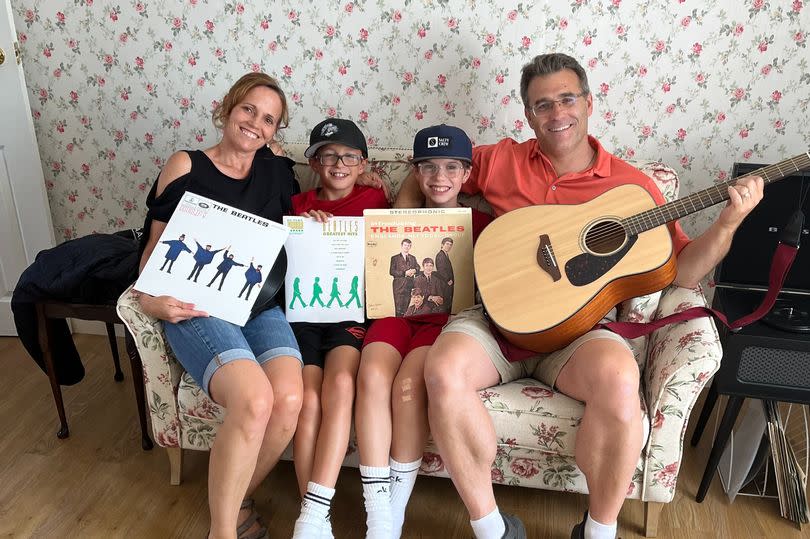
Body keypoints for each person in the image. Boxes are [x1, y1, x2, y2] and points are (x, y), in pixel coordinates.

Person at [396, 53, 764, 539]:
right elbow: (428, 169)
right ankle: (491, 528)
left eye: (566, 99)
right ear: (528, 114)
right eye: (542, 104)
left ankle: (598, 530)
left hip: (579, 332)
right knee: (442, 371)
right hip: (495, 320)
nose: (556, 114)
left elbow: (685, 272)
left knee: (619, 383)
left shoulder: (632, 188)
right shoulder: (500, 158)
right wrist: (400, 216)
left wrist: (729, 221)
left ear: (588, 103)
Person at [136, 72, 303, 539]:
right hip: (196, 306)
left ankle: (234, 499)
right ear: (229, 107)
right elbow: (153, 249)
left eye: (269, 120)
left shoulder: (274, 168)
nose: (255, 124)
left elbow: (309, 204)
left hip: (259, 304)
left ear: (275, 131)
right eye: (249, 109)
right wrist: (153, 301)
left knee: (290, 399)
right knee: (254, 400)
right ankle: (223, 531)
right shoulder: (185, 165)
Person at [355, 124, 492, 539]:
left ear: (467, 174)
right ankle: (376, 505)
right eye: (429, 166)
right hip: (394, 314)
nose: (440, 176)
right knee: (373, 373)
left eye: (452, 166)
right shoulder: (392, 220)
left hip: (446, 322)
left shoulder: (482, 223)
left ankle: (392, 511)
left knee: (409, 384)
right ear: (415, 171)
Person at [289, 118, 389, 539]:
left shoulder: (377, 200)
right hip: (306, 316)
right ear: (313, 162)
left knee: (342, 386)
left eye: (349, 156)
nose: (338, 163)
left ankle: (315, 509)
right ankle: (313, 517)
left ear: (363, 162)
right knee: (309, 400)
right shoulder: (297, 205)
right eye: (327, 155)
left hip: (350, 316)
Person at [389, 239, 420, 316]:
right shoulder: (395, 258)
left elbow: (418, 267)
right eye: (405, 245)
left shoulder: (413, 258)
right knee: (399, 308)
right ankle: (398, 324)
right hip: (399, 286)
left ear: (410, 247)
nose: (407, 247)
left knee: (406, 308)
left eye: (409, 245)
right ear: (402, 246)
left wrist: (415, 270)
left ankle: (404, 323)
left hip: (409, 286)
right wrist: (405, 273)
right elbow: (392, 272)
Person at [434, 238, 454, 307]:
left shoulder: (445, 255)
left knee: (448, 303)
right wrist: (448, 280)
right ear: (442, 245)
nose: (449, 246)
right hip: (444, 284)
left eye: (450, 245)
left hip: (447, 284)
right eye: (447, 244)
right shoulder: (440, 255)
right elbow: (441, 270)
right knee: (445, 304)